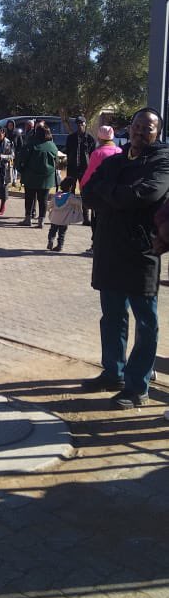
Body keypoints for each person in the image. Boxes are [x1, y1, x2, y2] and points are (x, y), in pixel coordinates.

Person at [80, 107, 169, 408]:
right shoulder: (115, 160)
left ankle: (136, 386)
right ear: (128, 128)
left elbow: (145, 194)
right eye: (137, 126)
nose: (141, 132)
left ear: (158, 132)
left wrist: (110, 193)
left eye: (149, 128)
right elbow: (88, 193)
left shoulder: (162, 161)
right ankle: (113, 372)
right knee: (112, 317)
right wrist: (116, 193)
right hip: (109, 250)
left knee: (146, 323)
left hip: (141, 253)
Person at [79, 125, 122, 256]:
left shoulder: (97, 153)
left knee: (97, 220)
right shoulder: (119, 151)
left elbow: (90, 172)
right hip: (115, 192)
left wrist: (82, 185)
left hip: (99, 192)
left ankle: (96, 245)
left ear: (100, 137)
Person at [19, 124, 58, 229]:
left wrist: (20, 169)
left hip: (31, 177)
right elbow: (57, 161)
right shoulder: (52, 146)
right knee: (43, 199)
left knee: (29, 198)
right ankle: (41, 221)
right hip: (46, 178)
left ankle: (28, 219)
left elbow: (22, 159)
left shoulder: (31, 144)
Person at [65, 116, 96, 226]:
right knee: (70, 193)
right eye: (77, 124)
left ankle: (85, 218)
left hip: (85, 169)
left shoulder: (90, 139)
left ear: (85, 124)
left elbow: (93, 154)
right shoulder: (71, 138)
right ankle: (69, 216)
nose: (79, 126)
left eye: (81, 124)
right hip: (72, 168)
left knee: (85, 193)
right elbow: (68, 151)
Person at [46, 175, 79, 252]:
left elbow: (50, 205)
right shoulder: (70, 197)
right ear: (71, 187)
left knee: (52, 231)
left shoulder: (56, 195)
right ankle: (59, 246)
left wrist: (48, 209)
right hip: (64, 220)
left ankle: (50, 240)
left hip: (54, 218)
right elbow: (78, 203)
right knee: (62, 233)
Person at [5, 120, 23, 185]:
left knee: (14, 166)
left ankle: (14, 180)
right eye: (9, 125)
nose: (10, 127)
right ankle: (7, 179)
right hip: (6, 152)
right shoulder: (5, 133)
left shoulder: (17, 133)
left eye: (11, 125)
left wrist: (18, 152)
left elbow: (20, 144)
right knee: (7, 166)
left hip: (14, 152)